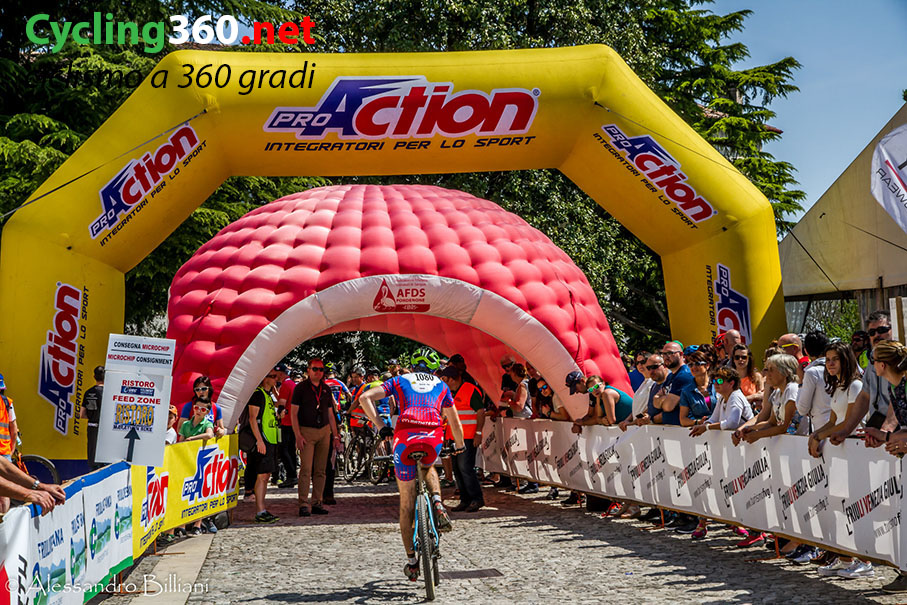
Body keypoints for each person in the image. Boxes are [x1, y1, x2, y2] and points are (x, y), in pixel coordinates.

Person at [357, 355, 465, 582]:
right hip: (432, 436)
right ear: (434, 370)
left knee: (406, 504)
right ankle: (437, 502)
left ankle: (413, 562)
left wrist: (381, 426)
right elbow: (455, 422)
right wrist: (460, 446)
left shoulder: (400, 380)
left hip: (405, 438)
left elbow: (364, 397)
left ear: (413, 367)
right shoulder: (442, 385)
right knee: (428, 466)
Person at [806, 342, 872, 579]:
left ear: (845, 360)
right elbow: (833, 421)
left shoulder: (855, 385)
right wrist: (815, 434)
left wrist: (818, 436)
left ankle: (865, 560)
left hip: (854, 450)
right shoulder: (838, 387)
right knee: (840, 504)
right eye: (828, 359)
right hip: (839, 452)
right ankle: (845, 557)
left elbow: (848, 422)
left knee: (857, 505)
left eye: (835, 359)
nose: (830, 363)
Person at [862, 339, 907, 593]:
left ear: (881, 365)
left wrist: (893, 439)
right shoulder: (895, 387)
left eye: (873, 361)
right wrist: (884, 436)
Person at [688, 367, 754, 539]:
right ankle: (712, 521)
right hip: (728, 449)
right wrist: (704, 424)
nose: (715, 384)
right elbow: (714, 418)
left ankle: (741, 523)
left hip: (742, 448)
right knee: (720, 482)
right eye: (714, 381)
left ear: (731, 383)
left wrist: (707, 428)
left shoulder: (736, 397)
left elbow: (732, 422)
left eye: (719, 381)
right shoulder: (722, 398)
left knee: (737, 486)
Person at [830, 310, 895, 446]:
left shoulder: (901, 359)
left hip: (896, 433)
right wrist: (846, 430)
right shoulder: (872, 360)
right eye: (872, 332)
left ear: (893, 328)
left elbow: (899, 399)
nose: (877, 335)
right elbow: (865, 396)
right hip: (880, 432)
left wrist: (885, 432)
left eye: (882, 330)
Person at [292, 359, 342, 517]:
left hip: (324, 431)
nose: (318, 372)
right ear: (308, 370)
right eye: (315, 369)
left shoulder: (325, 389)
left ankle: (317, 502)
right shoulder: (300, 388)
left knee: (321, 470)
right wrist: (297, 435)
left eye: (321, 369)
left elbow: (331, 414)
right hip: (306, 431)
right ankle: (303, 503)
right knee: (306, 469)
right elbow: (293, 414)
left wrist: (335, 435)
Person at [438, 365, 486, 512]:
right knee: (458, 469)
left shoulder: (470, 390)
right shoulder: (450, 393)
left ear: (452, 379)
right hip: (454, 437)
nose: (443, 382)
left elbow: (480, 411)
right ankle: (465, 500)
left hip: (468, 437)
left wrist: (478, 433)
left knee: (466, 468)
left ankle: (476, 499)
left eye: (444, 379)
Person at [242, 372, 281, 524]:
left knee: (266, 475)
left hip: (271, 438)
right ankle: (260, 510)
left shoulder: (268, 395)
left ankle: (262, 508)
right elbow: (253, 418)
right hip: (263, 440)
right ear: (264, 378)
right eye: (273, 376)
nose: (276, 379)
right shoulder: (258, 394)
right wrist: (259, 440)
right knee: (261, 475)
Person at [178, 398, 216, 535]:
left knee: (199, 494)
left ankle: (197, 525)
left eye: (203, 409)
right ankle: (181, 525)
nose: (199, 411)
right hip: (186, 462)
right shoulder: (186, 424)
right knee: (185, 493)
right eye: (196, 408)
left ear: (207, 412)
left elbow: (209, 434)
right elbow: (180, 441)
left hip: (200, 463)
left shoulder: (207, 423)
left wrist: (192, 439)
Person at [795, 331, 831, 435]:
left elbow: (802, 409)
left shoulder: (812, 372)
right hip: (842, 426)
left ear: (806, 351)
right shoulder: (842, 367)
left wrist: (801, 381)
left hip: (821, 429)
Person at [275, 364, 298, 489]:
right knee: (290, 450)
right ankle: (292, 475)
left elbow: (281, 404)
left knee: (283, 450)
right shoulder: (292, 384)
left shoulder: (285, 385)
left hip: (286, 422)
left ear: (281, 373)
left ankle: (291, 475)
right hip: (293, 422)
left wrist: (279, 414)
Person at [79, 366, 104, 469]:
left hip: (92, 427)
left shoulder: (88, 392)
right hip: (104, 428)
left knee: (92, 457)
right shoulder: (109, 392)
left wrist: (92, 415)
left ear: (94, 377)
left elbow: (82, 414)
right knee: (105, 459)